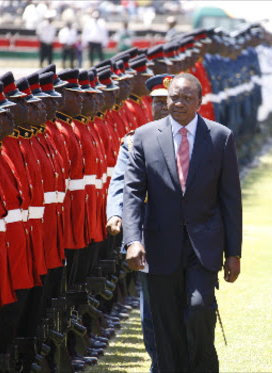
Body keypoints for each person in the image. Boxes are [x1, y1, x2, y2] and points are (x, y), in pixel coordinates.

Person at [123, 73, 242, 372]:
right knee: (166, 327)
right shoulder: (145, 137)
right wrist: (133, 240)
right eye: (174, 97)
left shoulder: (220, 137)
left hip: (204, 246)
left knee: (201, 310)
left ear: (200, 102)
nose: (178, 103)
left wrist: (234, 253)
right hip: (159, 247)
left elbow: (230, 200)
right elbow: (133, 194)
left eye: (187, 98)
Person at [106, 73, 174, 373]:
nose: (161, 108)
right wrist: (115, 213)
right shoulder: (134, 142)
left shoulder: (194, 139)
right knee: (150, 310)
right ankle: (160, 364)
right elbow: (119, 182)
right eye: (156, 103)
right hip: (148, 233)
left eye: (166, 102)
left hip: (186, 233)